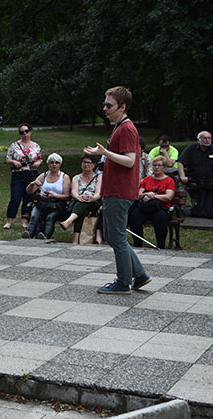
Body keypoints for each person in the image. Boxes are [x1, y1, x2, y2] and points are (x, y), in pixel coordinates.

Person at [85, 86, 151, 295]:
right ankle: (139, 275)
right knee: (115, 237)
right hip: (115, 190)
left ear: (122, 107)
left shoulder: (127, 129)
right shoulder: (120, 127)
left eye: (109, 105)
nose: (104, 108)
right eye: (104, 104)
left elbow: (131, 161)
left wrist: (106, 152)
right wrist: (103, 153)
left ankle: (124, 282)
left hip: (120, 192)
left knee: (117, 237)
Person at [178, 131, 213, 221]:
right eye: (204, 138)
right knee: (181, 186)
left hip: (211, 181)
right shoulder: (191, 148)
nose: (207, 140)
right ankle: (180, 210)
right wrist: (182, 176)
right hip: (193, 181)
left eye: (209, 138)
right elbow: (180, 162)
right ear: (199, 139)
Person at [128, 156, 176, 248]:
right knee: (135, 216)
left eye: (159, 165)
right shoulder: (147, 179)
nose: (156, 167)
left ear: (164, 167)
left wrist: (154, 196)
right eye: (154, 165)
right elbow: (138, 194)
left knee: (160, 218)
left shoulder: (169, 181)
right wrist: (146, 194)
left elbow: (168, 196)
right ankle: (138, 244)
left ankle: (161, 245)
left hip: (161, 207)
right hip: (145, 206)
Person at [23, 153, 71, 239]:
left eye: (56, 162)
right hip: (42, 203)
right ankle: (28, 234)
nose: (54, 165)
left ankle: (45, 236)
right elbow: (29, 191)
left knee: (50, 217)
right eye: (51, 162)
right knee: (34, 216)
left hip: (57, 205)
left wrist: (54, 196)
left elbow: (67, 196)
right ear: (48, 164)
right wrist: (32, 184)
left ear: (60, 164)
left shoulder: (64, 177)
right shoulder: (43, 176)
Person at [4, 123, 42, 230]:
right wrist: (14, 162)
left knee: (28, 197)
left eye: (26, 131)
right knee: (15, 197)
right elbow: (8, 159)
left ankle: (24, 220)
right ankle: (9, 221)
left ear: (30, 132)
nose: (24, 134)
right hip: (18, 173)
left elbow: (39, 159)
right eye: (22, 132)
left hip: (31, 173)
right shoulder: (14, 145)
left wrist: (38, 163)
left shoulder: (36, 146)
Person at [59, 154, 103, 244]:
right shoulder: (76, 177)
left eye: (88, 162)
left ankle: (69, 221)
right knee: (82, 208)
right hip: (80, 201)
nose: (85, 164)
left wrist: (92, 198)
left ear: (94, 165)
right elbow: (74, 192)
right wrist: (79, 197)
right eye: (84, 162)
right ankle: (76, 239)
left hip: (94, 203)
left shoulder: (98, 177)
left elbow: (98, 193)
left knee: (83, 202)